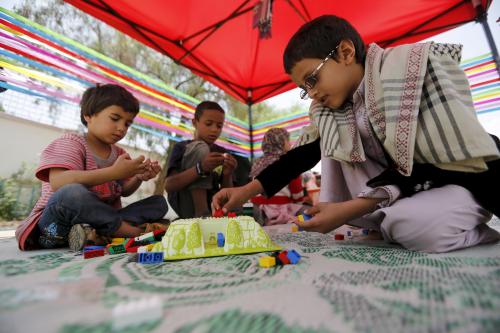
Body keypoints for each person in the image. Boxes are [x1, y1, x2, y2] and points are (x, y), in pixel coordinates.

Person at [212, 15, 500, 253]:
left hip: (462, 181)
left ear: (346, 52)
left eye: (312, 78)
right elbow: (301, 156)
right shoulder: (338, 111)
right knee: (393, 217)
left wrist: (349, 209)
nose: (312, 93)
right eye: (304, 88)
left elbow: (433, 163)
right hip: (413, 191)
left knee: (409, 228)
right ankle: (389, 220)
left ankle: (478, 232)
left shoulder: (409, 74)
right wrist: (245, 192)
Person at [16, 84, 168, 251]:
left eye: (127, 124)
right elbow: (59, 183)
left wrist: (138, 177)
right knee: (72, 193)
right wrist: (113, 172)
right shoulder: (71, 143)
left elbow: (124, 190)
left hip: (97, 223)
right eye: (115, 118)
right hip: (53, 229)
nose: (122, 128)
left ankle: (99, 234)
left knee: (158, 203)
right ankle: (132, 233)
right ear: (88, 115)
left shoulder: (119, 153)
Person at [164, 101, 237, 218]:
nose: (214, 130)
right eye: (208, 124)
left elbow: (226, 194)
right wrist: (200, 168)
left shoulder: (223, 152)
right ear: (195, 122)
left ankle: (209, 216)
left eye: (219, 126)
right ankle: (201, 213)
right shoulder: (182, 147)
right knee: (201, 147)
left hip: (214, 207)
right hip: (186, 204)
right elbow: (169, 186)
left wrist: (228, 174)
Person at [250, 128, 305, 225]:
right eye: (288, 140)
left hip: (257, 207)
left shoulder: (258, 163)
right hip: (280, 207)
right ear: (280, 143)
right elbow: (296, 190)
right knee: (307, 213)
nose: (290, 143)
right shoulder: (289, 162)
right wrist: (298, 203)